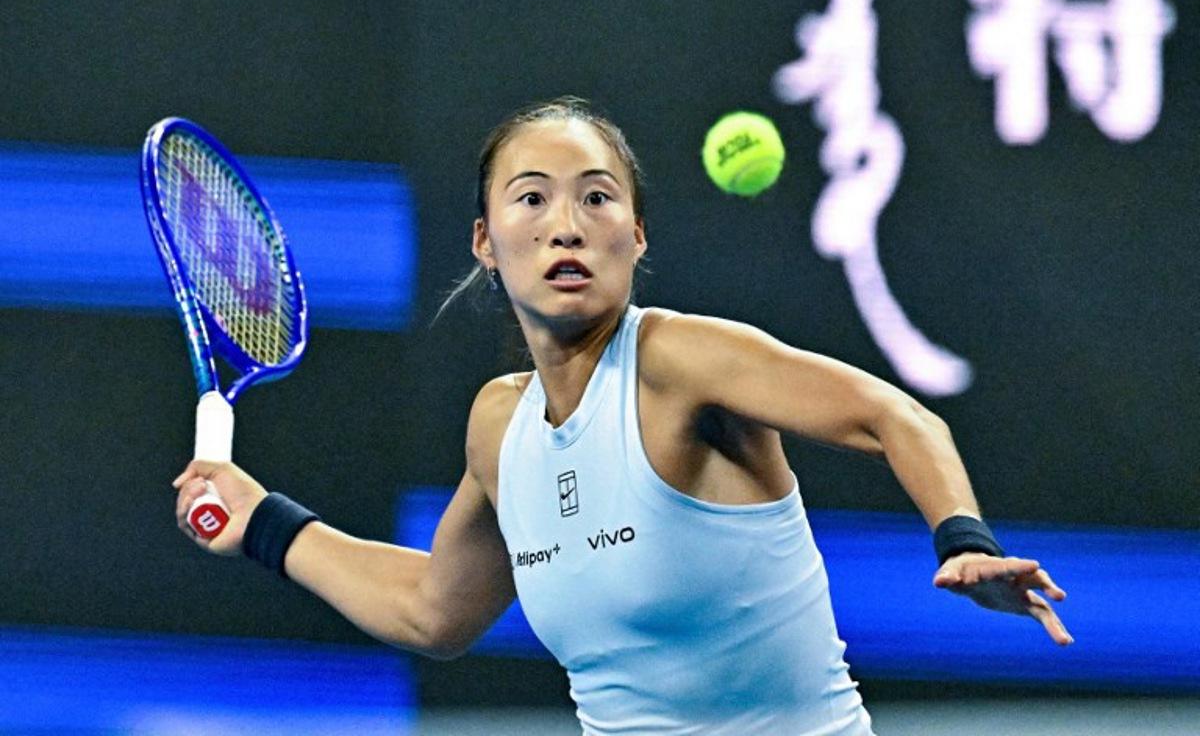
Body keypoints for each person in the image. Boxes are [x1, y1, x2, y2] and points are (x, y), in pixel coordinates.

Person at [173, 96, 1071, 735]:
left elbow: (890, 416)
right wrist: (260, 520)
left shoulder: (679, 363)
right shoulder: (499, 424)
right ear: (487, 242)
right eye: (531, 198)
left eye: (597, 198)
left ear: (635, 237)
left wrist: (962, 537)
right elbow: (432, 613)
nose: (566, 224)